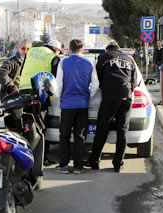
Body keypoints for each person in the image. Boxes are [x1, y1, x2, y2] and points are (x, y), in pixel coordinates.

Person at [85, 40, 137, 173]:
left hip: (110, 97)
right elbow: (134, 82)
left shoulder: (103, 57)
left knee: (102, 129)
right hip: (126, 97)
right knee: (122, 131)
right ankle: (118, 164)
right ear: (119, 49)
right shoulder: (130, 59)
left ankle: (95, 161)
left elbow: (97, 80)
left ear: (107, 50)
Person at [55, 39, 99, 174]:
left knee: (64, 135)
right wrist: (88, 95)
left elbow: (59, 84)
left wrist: (59, 96)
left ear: (69, 48)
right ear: (82, 49)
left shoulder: (63, 62)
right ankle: (78, 166)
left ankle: (64, 165)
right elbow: (95, 84)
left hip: (67, 105)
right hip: (82, 104)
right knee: (80, 135)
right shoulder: (90, 62)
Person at [19, 40, 62, 165]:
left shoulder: (31, 51)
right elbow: (54, 80)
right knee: (40, 126)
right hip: (38, 92)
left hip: (23, 90)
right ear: (56, 49)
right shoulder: (53, 57)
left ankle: (24, 155)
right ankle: (41, 158)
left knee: (27, 124)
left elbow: (22, 71)